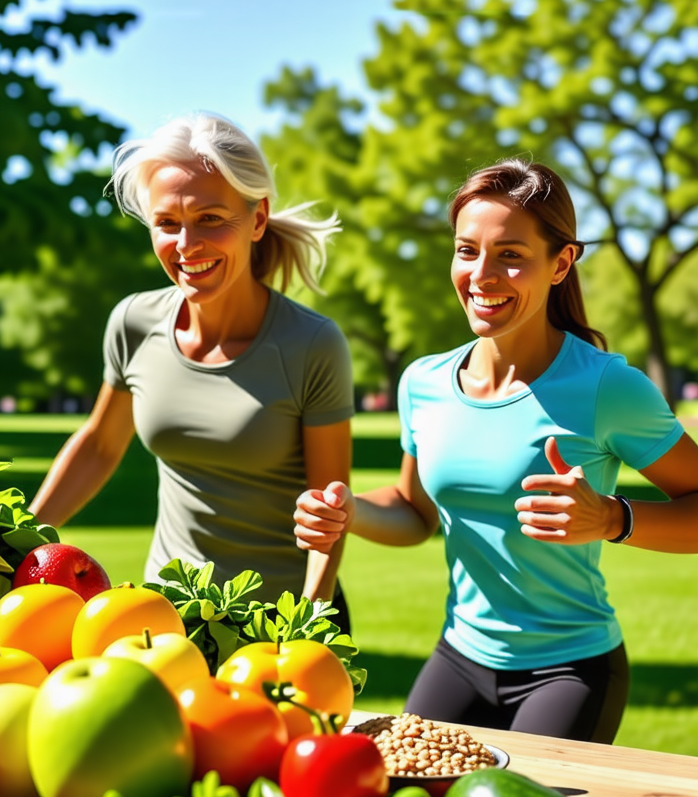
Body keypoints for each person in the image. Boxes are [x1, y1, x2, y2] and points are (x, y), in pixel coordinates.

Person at [293, 158, 698, 742]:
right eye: (467, 250)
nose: (482, 275)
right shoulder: (423, 383)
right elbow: (413, 513)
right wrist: (349, 510)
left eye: (511, 255)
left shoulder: (608, 388)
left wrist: (612, 518)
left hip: (570, 670)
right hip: (458, 656)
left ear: (561, 263)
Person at [29, 113, 355, 618]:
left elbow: (327, 509)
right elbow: (98, 444)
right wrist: (15, 545)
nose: (186, 246)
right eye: (167, 223)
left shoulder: (311, 343)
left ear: (258, 218)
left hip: (282, 620)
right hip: (168, 618)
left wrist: (307, 620)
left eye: (210, 219)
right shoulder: (134, 322)